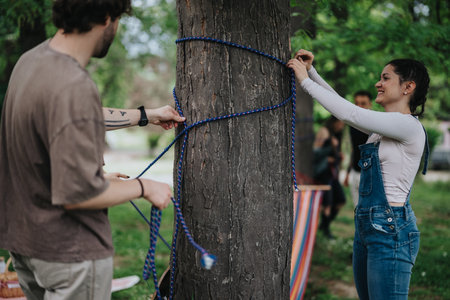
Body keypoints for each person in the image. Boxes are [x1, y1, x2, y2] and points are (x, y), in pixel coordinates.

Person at [0, 1, 184, 299]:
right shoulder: (73, 84)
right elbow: (78, 194)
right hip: (69, 254)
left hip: (26, 243)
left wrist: (145, 115)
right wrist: (144, 186)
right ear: (107, 17)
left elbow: (76, 116)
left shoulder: (32, 62)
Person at [288, 50, 429, 299]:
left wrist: (305, 82)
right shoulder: (383, 126)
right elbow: (348, 108)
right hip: (367, 227)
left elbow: (348, 113)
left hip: (391, 230)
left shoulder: (407, 126)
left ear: (408, 86)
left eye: (385, 78)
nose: (378, 83)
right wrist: (312, 72)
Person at [313, 116, 346, 239]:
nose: (341, 126)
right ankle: (325, 231)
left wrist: (338, 156)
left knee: (340, 200)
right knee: (327, 202)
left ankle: (324, 225)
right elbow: (315, 153)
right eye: (340, 123)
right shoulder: (324, 131)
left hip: (333, 172)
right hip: (323, 172)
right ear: (335, 121)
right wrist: (329, 149)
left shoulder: (337, 134)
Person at [343, 91, 373, 207]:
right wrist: (347, 173)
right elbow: (353, 149)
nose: (359, 107)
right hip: (355, 172)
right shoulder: (352, 125)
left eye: (363, 103)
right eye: (357, 103)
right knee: (357, 211)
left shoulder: (375, 124)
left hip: (369, 174)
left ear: (370, 104)